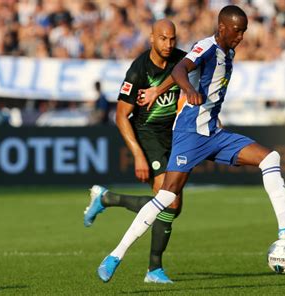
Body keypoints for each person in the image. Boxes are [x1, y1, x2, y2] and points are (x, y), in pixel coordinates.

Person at [96, 5, 285, 283]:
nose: (241, 36)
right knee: (168, 198)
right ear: (222, 28)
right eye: (237, 31)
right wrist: (188, 90)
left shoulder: (229, 50)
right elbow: (181, 69)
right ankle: (116, 255)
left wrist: (165, 90)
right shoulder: (207, 46)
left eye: (244, 31)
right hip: (190, 133)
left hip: (213, 132)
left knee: (270, 158)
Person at [83, 19, 187, 284]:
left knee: (173, 206)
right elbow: (121, 116)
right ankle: (154, 270)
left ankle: (107, 199)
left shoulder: (182, 61)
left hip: (174, 135)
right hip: (148, 135)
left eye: (172, 39)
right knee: (168, 200)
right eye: (163, 38)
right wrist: (139, 154)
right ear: (152, 38)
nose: (169, 44)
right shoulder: (139, 70)